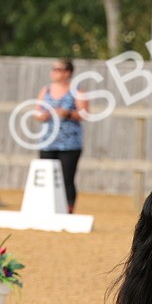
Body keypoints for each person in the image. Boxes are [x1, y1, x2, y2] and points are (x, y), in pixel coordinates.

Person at [34, 59, 89, 213]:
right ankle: (47, 209)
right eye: (53, 69)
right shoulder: (46, 89)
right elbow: (36, 112)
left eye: (58, 69)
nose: (54, 72)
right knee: (47, 178)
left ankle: (67, 209)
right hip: (47, 141)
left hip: (70, 143)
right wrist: (44, 115)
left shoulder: (77, 91)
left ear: (68, 72)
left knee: (66, 178)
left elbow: (84, 113)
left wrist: (68, 113)